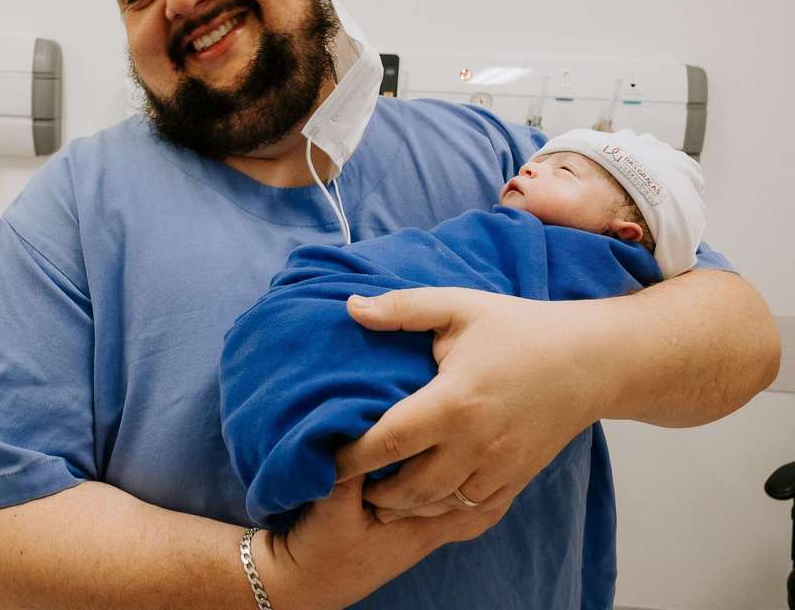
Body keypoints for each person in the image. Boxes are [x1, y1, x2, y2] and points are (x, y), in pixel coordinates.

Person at [0, 0, 780, 608]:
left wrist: (574, 362)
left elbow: (741, 338)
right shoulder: (74, 215)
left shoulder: (500, 161)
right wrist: (274, 577)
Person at [220, 129, 704, 608]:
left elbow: (725, 326)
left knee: (314, 337)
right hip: (341, 303)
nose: (529, 167)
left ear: (621, 235)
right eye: (537, 163)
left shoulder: (605, 272)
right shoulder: (493, 229)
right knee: (301, 322)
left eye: (565, 172)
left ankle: (329, 423)